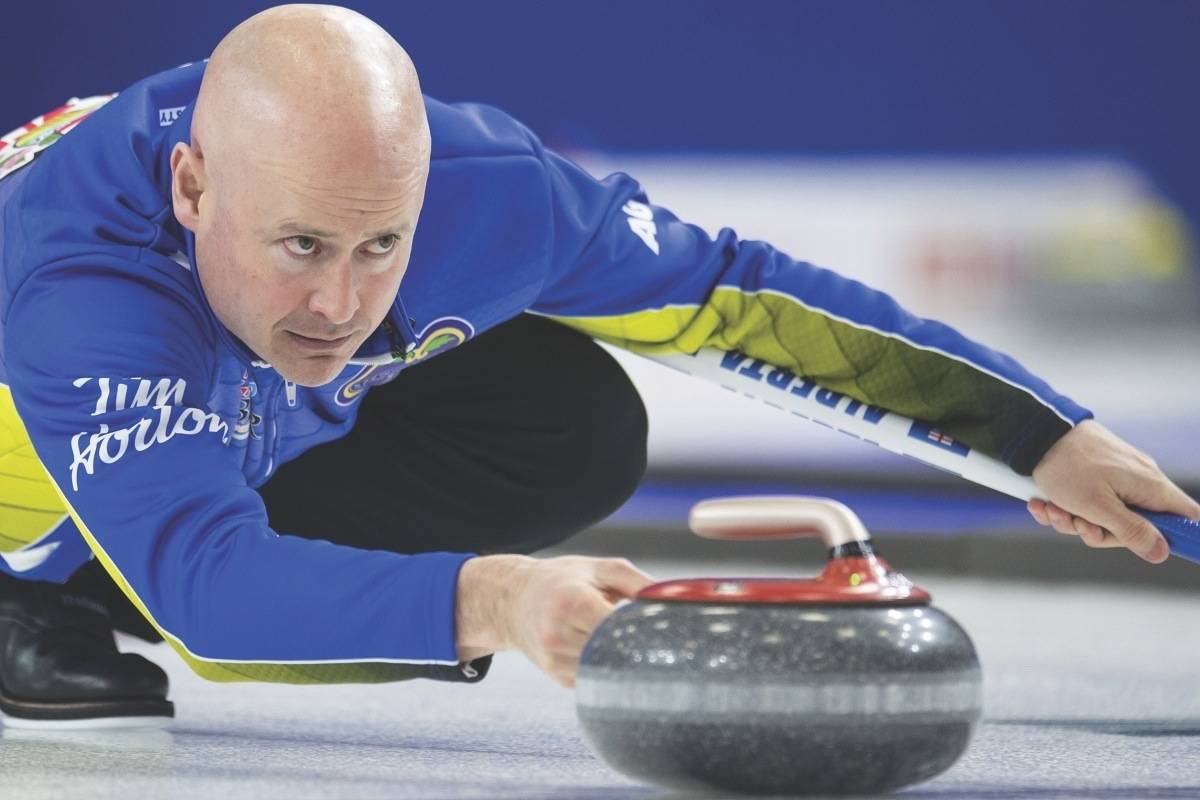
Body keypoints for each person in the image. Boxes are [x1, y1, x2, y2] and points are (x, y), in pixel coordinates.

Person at [0, 5, 1194, 727]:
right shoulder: (84, 286)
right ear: (193, 188)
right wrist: (499, 599)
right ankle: (36, 588)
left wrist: (1037, 433)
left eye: (382, 246)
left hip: (223, 417)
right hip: (50, 464)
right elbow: (205, 592)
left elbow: (739, 300)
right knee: (183, 561)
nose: (341, 304)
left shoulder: (494, 192)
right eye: (301, 245)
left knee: (571, 417)